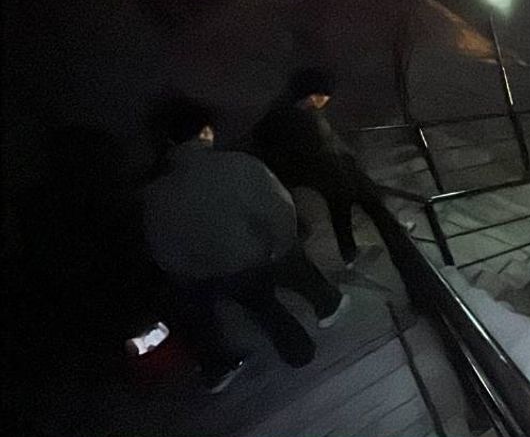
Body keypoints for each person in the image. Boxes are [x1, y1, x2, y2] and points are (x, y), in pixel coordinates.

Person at [141, 96, 348, 393]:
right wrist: (279, 246)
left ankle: (219, 365)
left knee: (252, 302)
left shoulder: (157, 194)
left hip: (209, 276)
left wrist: (194, 273)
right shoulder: (239, 166)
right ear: (205, 132)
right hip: (256, 260)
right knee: (267, 289)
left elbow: (164, 250)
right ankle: (320, 315)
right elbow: (280, 210)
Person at [253, 68, 398, 268]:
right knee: (346, 205)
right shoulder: (286, 118)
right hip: (323, 172)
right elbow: (302, 150)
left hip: (335, 169)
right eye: (322, 96)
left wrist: (347, 157)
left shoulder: (308, 112)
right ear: (310, 95)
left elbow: (330, 140)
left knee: (366, 200)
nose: (326, 101)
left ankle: (370, 244)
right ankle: (353, 253)